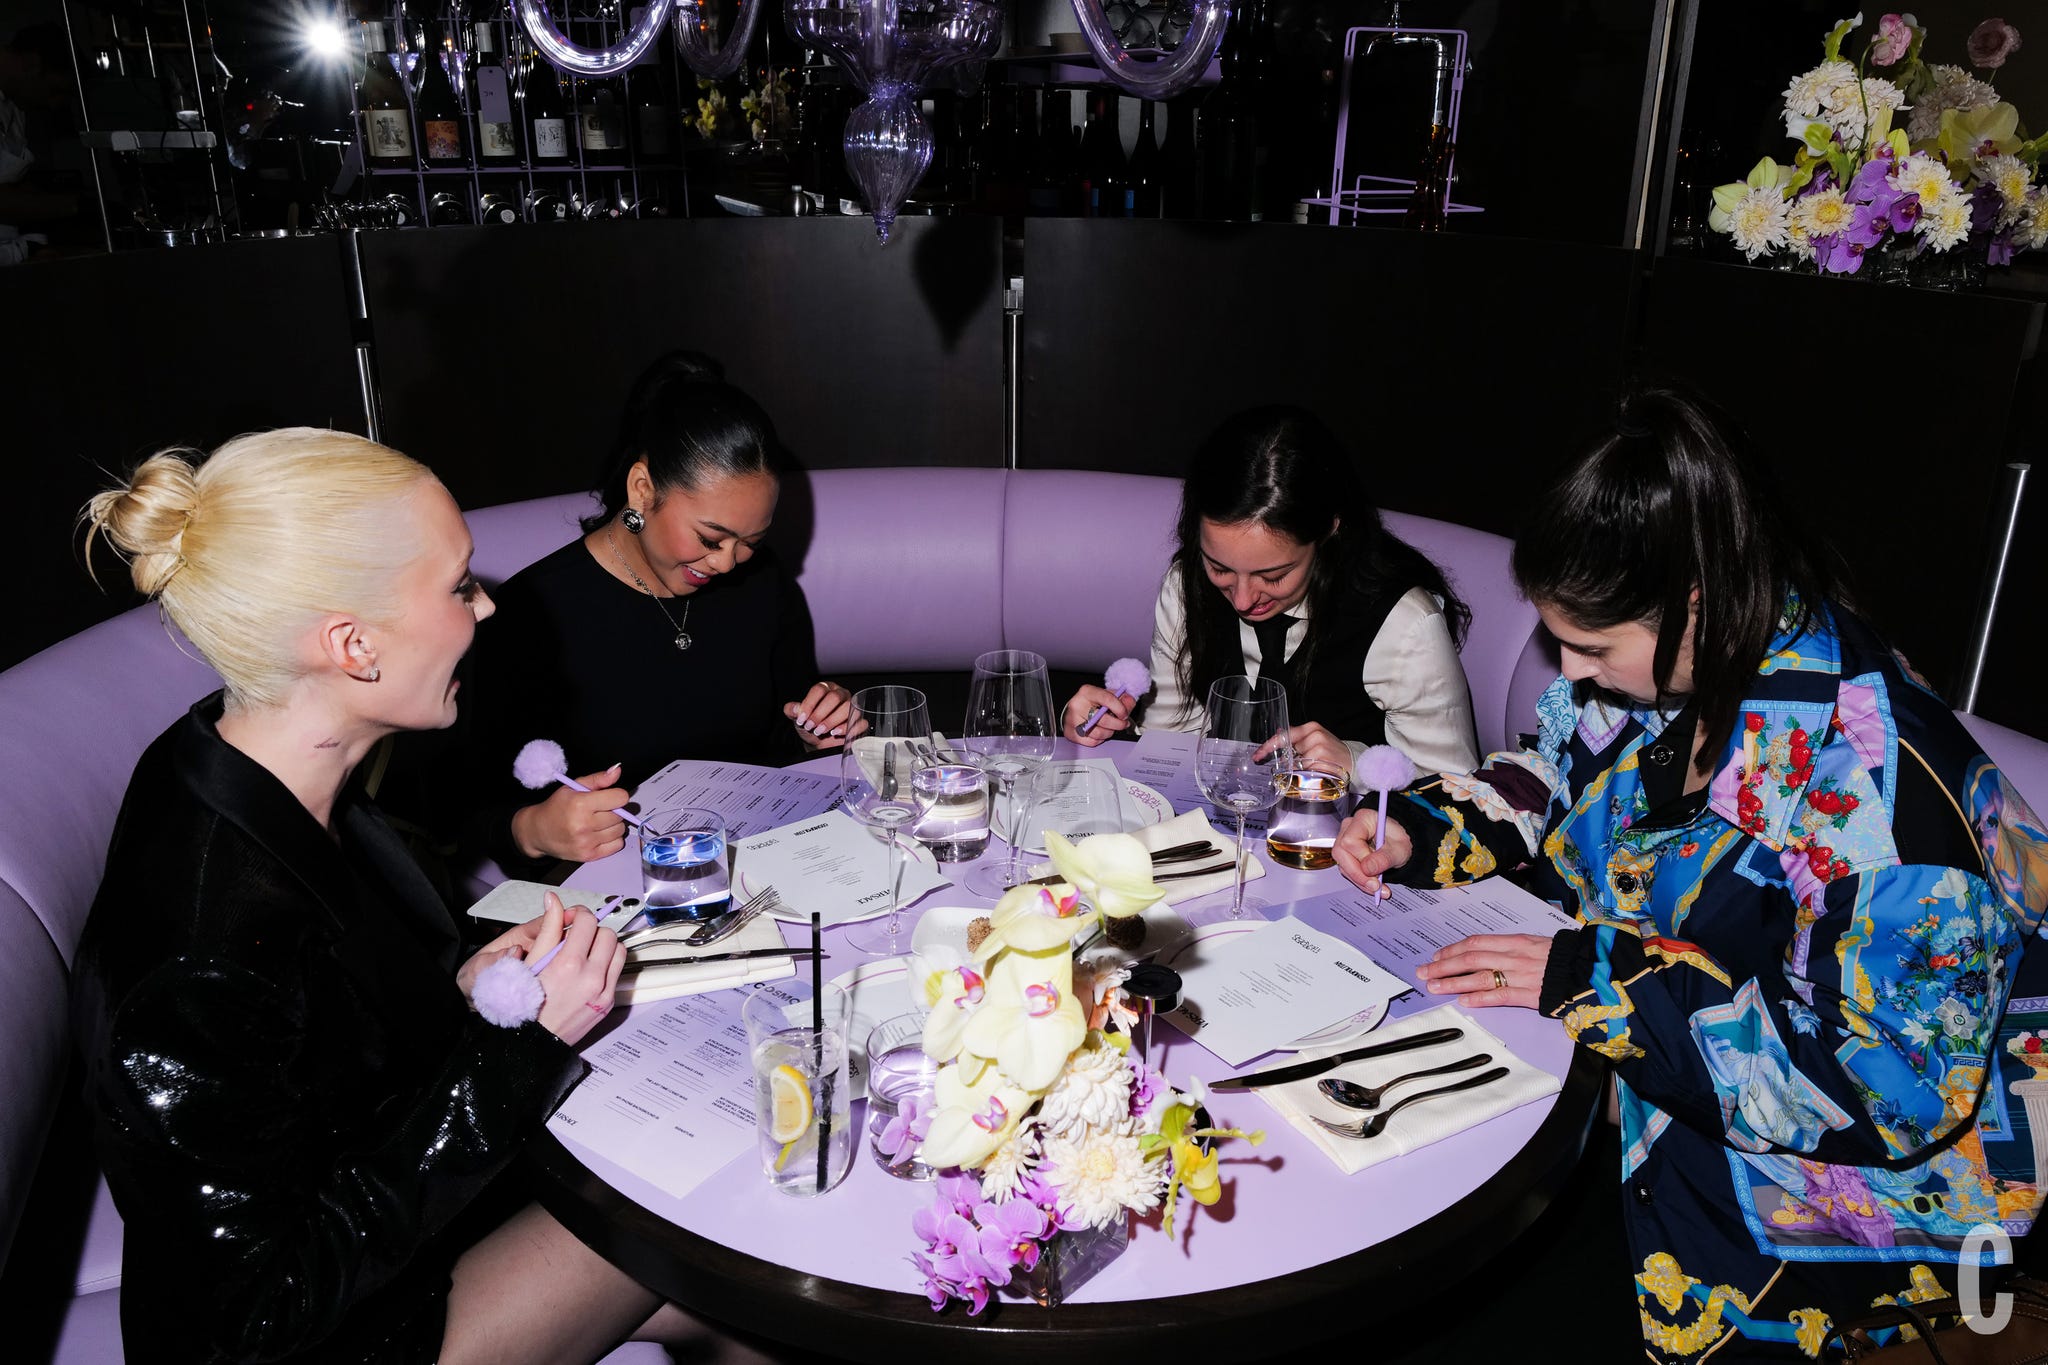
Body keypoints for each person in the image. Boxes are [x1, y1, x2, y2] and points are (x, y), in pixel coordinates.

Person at [1333, 390, 2048, 1361]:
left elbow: (1889, 1091)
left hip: (1837, 1178)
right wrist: (1424, 828)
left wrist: (1591, 979)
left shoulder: (1873, 794)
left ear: (1695, 606)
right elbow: (1550, 774)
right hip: (1657, 1064)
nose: (1572, 675)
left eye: (1590, 648)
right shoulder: (1693, 665)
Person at [71, 430, 748, 1364]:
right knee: (699, 1249)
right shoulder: (205, 945)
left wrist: (463, 982)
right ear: (353, 645)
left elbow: (330, 1025)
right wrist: (514, 1046)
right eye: (460, 584)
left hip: (389, 1223)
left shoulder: (251, 761)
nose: (487, 604)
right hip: (335, 1332)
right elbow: (260, 1315)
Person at [463, 351, 855, 871]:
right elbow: (466, 812)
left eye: (750, 542)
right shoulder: (532, 616)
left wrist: (816, 730)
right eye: (710, 538)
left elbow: (777, 737)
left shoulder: (761, 582)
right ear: (642, 488)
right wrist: (533, 830)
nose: (728, 563)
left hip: (757, 866)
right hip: (606, 890)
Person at [1063, 405, 1479, 776]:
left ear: (1330, 532)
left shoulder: (1403, 624)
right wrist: (1107, 725)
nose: (1243, 600)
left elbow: (1457, 796)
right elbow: (1172, 739)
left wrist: (1354, 763)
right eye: (1220, 567)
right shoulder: (1186, 583)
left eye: (1274, 576)